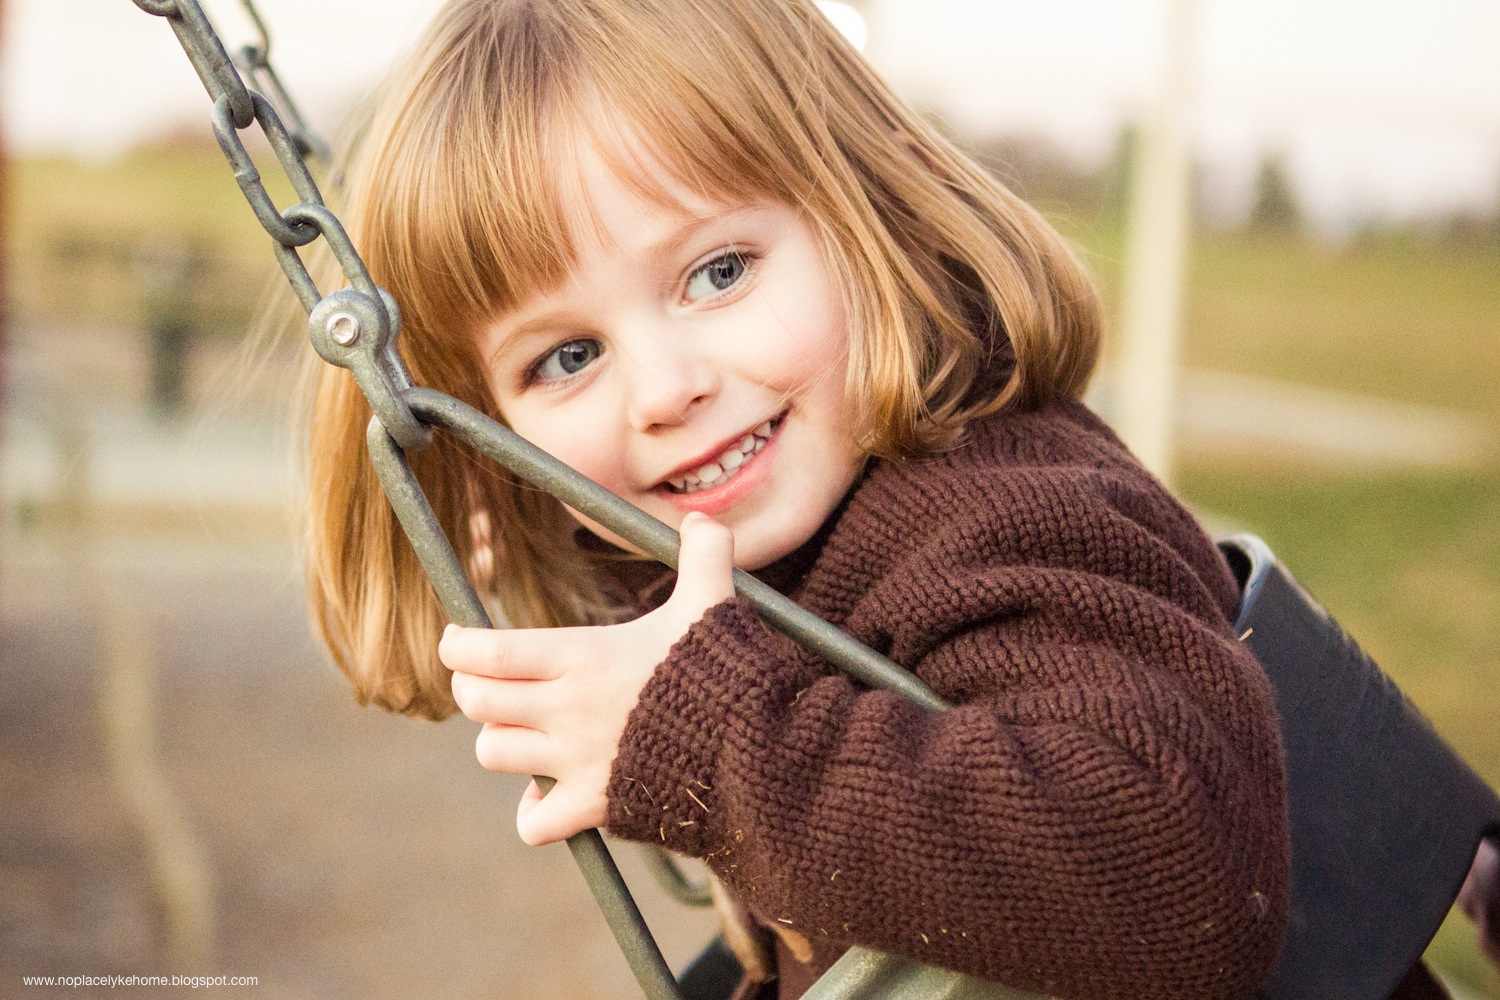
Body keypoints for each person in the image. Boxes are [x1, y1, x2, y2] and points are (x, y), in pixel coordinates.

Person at [302, 2, 1303, 997]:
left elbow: (1180, 871)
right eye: (568, 358)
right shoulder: (789, 527)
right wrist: (521, 516)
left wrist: (706, 743)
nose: (665, 391)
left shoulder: (1001, 509)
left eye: (718, 272)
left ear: (872, 211)